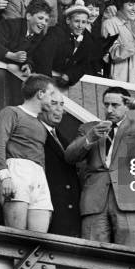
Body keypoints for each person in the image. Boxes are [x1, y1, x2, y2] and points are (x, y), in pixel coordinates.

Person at [65, 87, 135, 247]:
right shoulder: (89, 128)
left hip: (129, 198)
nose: (109, 109)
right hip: (94, 199)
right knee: (92, 254)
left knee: (130, 254)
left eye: (115, 105)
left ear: (127, 106)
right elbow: (70, 156)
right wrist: (90, 138)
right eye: (106, 104)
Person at [0, 74, 56, 232]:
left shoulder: (41, 124)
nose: (53, 99)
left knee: (39, 239)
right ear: (40, 94)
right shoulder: (12, 112)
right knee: (16, 235)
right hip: (17, 170)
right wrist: (5, 177)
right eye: (51, 94)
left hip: (38, 175)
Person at [39, 90, 81, 237]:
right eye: (54, 103)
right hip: (48, 208)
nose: (59, 109)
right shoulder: (35, 132)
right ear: (41, 105)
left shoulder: (62, 137)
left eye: (62, 104)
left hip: (68, 212)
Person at [40, 0, 101, 86]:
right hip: (46, 75)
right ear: (68, 20)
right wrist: (46, 81)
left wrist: (69, 75)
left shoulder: (88, 40)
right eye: (77, 21)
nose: (80, 26)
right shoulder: (56, 33)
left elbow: (83, 64)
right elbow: (44, 58)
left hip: (64, 80)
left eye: (83, 22)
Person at [0, 0, 52, 75]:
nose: (43, 23)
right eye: (40, 18)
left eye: (46, 20)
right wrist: (12, 55)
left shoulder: (39, 36)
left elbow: (33, 57)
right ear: (28, 16)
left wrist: (28, 65)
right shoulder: (10, 25)